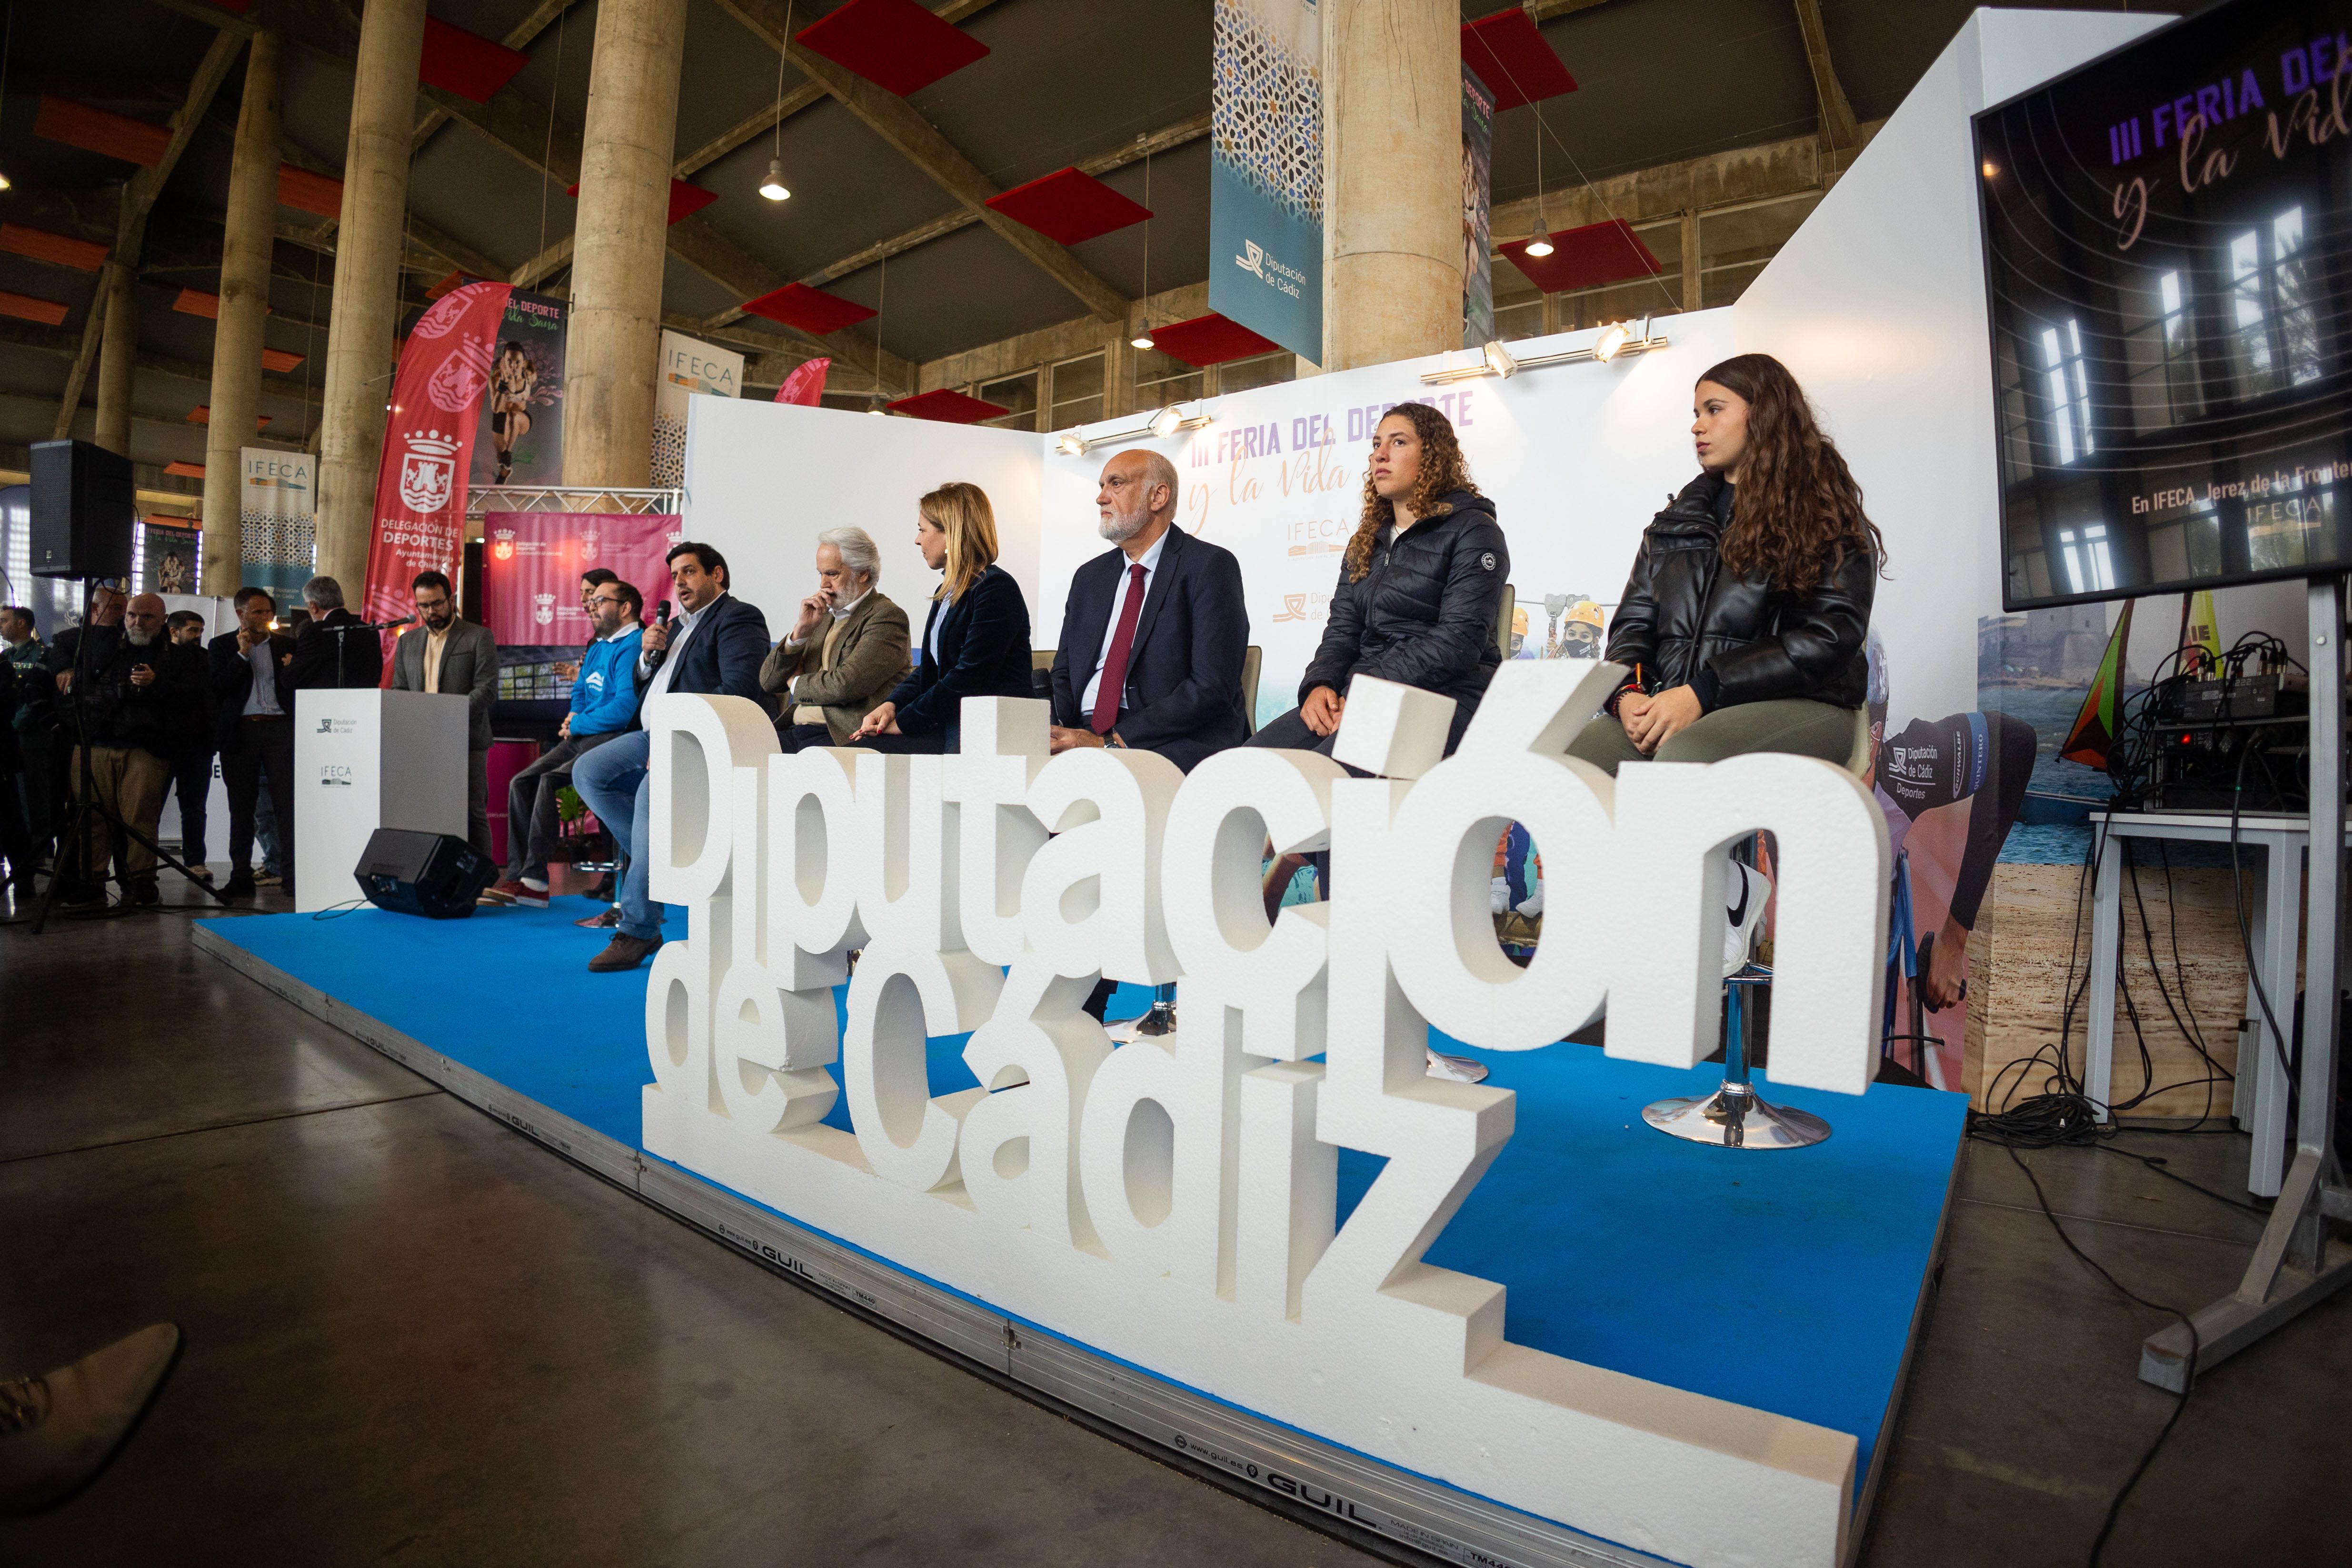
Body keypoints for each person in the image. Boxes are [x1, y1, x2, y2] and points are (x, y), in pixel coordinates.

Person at [1566, 352, 1880, 777]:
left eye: (1714, 410)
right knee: (1571, 762)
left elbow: (1828, 637)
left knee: (1685, 758)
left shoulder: (1823, 512)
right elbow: (1632, 628)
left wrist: (1704, 690)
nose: (1697, 426)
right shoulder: (1673, 525)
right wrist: (1628, 695)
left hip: (1803, 703)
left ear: (1765, 414)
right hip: (1679, 702)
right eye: (1696, 413)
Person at [1250, 402, 1508, 764]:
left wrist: (1369, 689)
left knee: (1323, 775)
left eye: (1398, 442)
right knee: (1244, 765)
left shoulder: (1475, 529)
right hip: (1361, 691)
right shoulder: (1365, 541)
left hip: (1445, 695)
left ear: (1433, 455)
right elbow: (1341, 632)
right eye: (1376, 444)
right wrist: (1320, 685)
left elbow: (1459, 641)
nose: (1380, 455)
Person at [571, 542, 771, 972]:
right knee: (588, 771)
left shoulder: (738, 617)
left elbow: (740, 688)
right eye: (675, 575)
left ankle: (639, 928)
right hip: (651, 733)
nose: (679, 582)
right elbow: (647, 686)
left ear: (717, 574)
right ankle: (665, 861)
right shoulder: (673, 627)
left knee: (651, 797)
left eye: (689, 572)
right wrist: (646, 659)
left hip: (697, 736)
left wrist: (679, 730)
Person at [1047, 449, 1248, 770]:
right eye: (1102, 486)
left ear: (1158, 496)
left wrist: (1111, 742)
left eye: (1116, 484)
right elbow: (1064, 672)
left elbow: (1211, 685)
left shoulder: (1209, 566)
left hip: (1168, 740)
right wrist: (1060, 731)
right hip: (1083, 733)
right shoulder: (1089, 577)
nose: (1101, 498)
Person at [482, 578, 645, 909]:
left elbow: (625, 709)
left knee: (549, 780)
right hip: (582, 734)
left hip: (613, 739)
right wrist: (574, 714)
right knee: (521, 782)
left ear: (625, 608)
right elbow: (582, 690)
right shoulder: (598, 646)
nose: (591, 607)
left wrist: (578, 723)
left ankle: (535, 880)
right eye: (591, 602)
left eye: (600, 601)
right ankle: (519, 877)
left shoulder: (635, 644)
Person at [849, 482, 1032, 754]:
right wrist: (892, 705)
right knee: (861, 752)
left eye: (922, 530)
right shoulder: (947, 591)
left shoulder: (996, 588)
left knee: (869, 754)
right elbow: (931, 670)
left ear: (950, 533)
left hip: (987, 728)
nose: (917, 540)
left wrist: (906, 722)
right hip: (953, 720)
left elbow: (970, 676)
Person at [52, 592, 205, 908]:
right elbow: (63, 647)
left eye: (147, 617)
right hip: (94, 743)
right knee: (92, 819)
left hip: (144, 748)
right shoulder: (103, 644)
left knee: (140, 820)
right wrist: (65, 669)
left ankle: (141, 883)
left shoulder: (179, 657)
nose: (138, 622)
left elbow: (193, 700)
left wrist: (156, 684)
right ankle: (92, 882)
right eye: (132, 615)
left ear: (163, 621)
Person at [759, 527, 909, 752]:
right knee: (744, 756)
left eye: (832, 574)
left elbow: (845, 685)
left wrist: (796, 683)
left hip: (838, 737)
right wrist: (799, 633)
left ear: (863, 573)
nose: (823, 584)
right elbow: (769, 681)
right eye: (820, 574)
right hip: (796, 730)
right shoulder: (822, 616)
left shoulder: (886, 617)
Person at [390, 570, 499, 860]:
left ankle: (481, 878)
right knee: (427, 809)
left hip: (467, 739)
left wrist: (447, 718)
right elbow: (400, 690)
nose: (431, 611)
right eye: (424, 606)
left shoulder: (478, 637)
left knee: (472, 810)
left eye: (437, 603)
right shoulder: (408, 642)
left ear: (451, 600)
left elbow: (486, 690)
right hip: (422, 740)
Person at [209, 587, 298, 899]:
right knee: (241, 808)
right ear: (240, 614)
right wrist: (242, 655)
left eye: (269, 611)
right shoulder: (221, 646)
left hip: (281, 729)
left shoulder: (288, 645)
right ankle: (241, 876)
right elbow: (218, 688)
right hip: (242, 732)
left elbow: (299, 687)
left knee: (286, 806)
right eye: (258, 612)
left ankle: (291, 876)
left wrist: (293, 668)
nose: (265, 617)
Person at [158, 611, 215, 882]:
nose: (198, 636)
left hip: (198, 745)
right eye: (193, 630)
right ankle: (143, 863)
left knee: (195, 808)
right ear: (173, 631)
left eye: (201, 631)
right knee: (150, 808)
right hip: (162, 744)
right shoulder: (158, 658)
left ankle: (196, 863)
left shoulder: (207, 659)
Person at [289, 574, 384, 689]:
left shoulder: (315, 632)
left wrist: (292, 664)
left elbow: (292, 679)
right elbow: (376, 676)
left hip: (325, 700)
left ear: (313, 606)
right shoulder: (369, 630)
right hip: (365, 700)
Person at [552, 569, 618, 683]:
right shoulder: (596, 639)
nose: (583, 599)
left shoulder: (630, 635)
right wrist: (583, 676)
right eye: (581, 593)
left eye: (590, 592)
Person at [489, 340, 537, 484]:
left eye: (517, 362)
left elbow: (526, 389)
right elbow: (496, 408)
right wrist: (503, 383)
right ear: (504, 361)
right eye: (509, 361)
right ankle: (504, 474)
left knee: (513, 416)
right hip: (500, 418)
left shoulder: (529, 376)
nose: (513, 366)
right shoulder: (495, 379)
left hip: (521, 418)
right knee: (503, 464)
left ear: (523, 363)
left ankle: (508, 452)